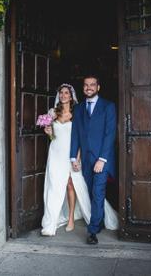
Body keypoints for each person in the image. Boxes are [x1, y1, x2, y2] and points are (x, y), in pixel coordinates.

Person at [41, 84, 117, 236]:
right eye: (61, 93)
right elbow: (51, 136)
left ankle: (70, 219)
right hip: (56, 153)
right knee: (54, 186)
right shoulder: (52, 113)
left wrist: (78, 157)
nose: (63, 95)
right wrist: (48, 131)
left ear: (71, 96)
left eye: (66, 93)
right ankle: (50, 222)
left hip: (72, 154)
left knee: (71, 184)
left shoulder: (78, 112)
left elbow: (82, 137)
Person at [70, 75, 117, 245]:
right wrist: (73, 157)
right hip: (85, 161)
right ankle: (100, 220)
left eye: (92, 85)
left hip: (101, 160)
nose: (89, 87)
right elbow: (75, 134)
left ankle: (92, 231)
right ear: (83, 88)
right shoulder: (79, 108)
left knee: (98, 192)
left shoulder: (108, 107)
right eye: (86, 85)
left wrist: (102, 159)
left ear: (98, 87)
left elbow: (110, 134)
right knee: (91, 192)